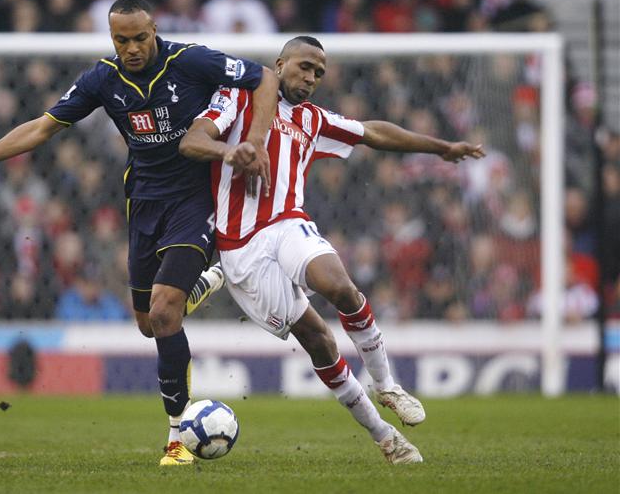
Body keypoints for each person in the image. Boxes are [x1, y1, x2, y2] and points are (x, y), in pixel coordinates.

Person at [0, 0, 279, 465]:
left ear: (155, 30)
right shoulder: (103, 79)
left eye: (139, 38)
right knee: (149, 323)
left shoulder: (190, 60)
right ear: (112, 38)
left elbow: (264, 76)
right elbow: (43, 127)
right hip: (144, 203)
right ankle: (208, 280)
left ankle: (175, 437)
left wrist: (256, 141)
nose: (130, 48)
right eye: (120, 39)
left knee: (166, 314)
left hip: (196, 199)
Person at [180, 36, 485, 464]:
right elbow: (192, 141)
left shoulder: (312, 119)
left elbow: (374, 132)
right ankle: (385, 438)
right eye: (304, 67)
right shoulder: (237, 98)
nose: (311, 78)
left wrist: (441, 148)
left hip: (288, 224)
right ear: (280, 64)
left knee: (339, 286)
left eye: (319, 73)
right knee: (318, 341)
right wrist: (231, 151)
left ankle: (387, 384)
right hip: (240, 250)